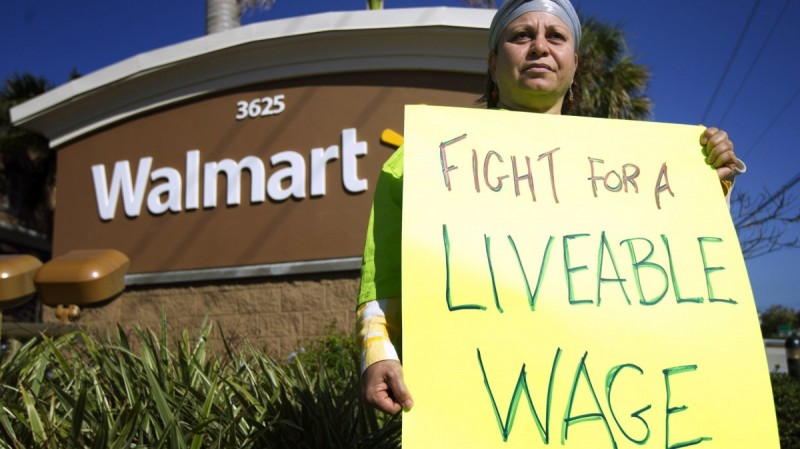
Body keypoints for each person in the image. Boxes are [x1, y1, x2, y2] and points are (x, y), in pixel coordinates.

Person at [355, 0, 744, 416]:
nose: (539, 46)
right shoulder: (427, 157)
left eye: (555, 36)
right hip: (481, 406)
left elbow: (670, 270)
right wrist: (376, 353)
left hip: (612, 405)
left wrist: (708, 183)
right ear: (492, 61)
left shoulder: (627, 169)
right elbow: (385, 277)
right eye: (521, 35)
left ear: (574, 63)